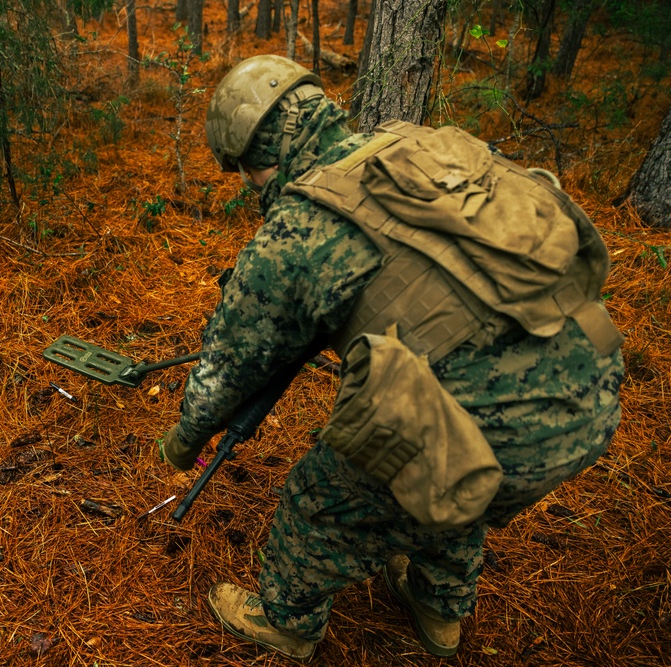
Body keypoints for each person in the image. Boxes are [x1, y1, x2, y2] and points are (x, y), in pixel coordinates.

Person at [158, 55, 624, 662]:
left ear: (253, 158)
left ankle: (288, 621)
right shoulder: (402, 149)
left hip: (500, 432)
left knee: (318, 498)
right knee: (445, 461)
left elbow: (230, 365)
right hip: (592, 393)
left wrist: (184, 439)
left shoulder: (295, 228)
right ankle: (438, 608)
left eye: (243, 172)